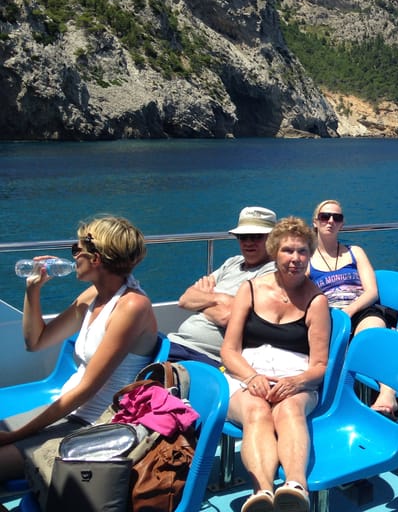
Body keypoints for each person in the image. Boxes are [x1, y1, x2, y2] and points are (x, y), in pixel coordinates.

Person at [0, 216, 158, 481]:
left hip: (92, 425)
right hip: (66, 411)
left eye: (76, 249)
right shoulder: (92, 297)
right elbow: (36, 342)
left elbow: (87, 390)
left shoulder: (132, 307)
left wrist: (16, 435)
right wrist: (32, 290)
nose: (73, 257)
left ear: (95, 258)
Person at [221, 216, 330, 512]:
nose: (295, 259)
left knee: (289, 410)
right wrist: (251, 377)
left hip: (296, 380)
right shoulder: (250, 289)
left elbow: (320, 365)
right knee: (256, 411)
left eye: (302, 251)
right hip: (246, 375)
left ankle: (296, 488)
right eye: (287, 251)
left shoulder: (316, 301)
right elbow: (229, 350)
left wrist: (295, 382)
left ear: (310, 255)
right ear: (274, 252)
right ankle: (262, 493)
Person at [308, 199, 397, 416]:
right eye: (325, 216)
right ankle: (342, 406)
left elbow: (371, 291)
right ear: (315, 222)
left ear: (342, 223)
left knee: (370, 335)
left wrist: (350, 310)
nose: (330, 221)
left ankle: (388, 394)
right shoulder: (307, 259)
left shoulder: (355, 252)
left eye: (336, 217)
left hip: (361, 309)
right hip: (331, 316)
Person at [167, 206, 277, 366]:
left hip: (206, 356)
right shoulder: (232, 263)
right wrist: (220, 300)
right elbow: (185, 299)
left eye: (256, 236)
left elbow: (228, 316)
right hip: (176, 342)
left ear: (273, 238)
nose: (248, 242)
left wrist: (204, 300)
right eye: (243, 237)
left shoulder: (273, 272)